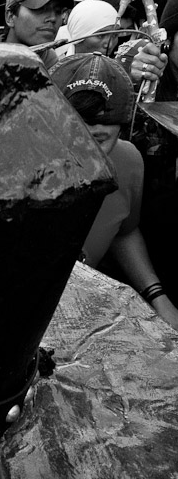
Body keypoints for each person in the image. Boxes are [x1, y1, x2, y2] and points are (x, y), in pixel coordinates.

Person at [49, 53, 178, 331]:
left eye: (99, 140)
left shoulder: (127, 163)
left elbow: (123, 229)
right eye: (74, 130)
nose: (84, 148)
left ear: (120, 130)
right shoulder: (11, 167)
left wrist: (156, 295)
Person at [3, 0, 73, 68]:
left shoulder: (55, 67)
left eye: (58, 11)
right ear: (10, 16)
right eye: (40, 9)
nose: (52, 18)